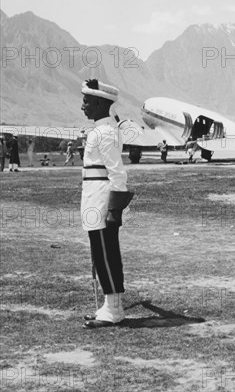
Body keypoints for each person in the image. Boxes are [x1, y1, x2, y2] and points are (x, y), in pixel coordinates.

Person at [80, 79, 134, 329]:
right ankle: (109, 303)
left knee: (106, 254)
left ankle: (114, 309)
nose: (83, 106)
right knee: (100, 254)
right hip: (93, 196)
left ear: (101, 103)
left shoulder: (107, 132)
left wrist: (114, 210)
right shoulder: (100, 130)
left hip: (102, 199)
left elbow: (117, 173)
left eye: (87, 101)